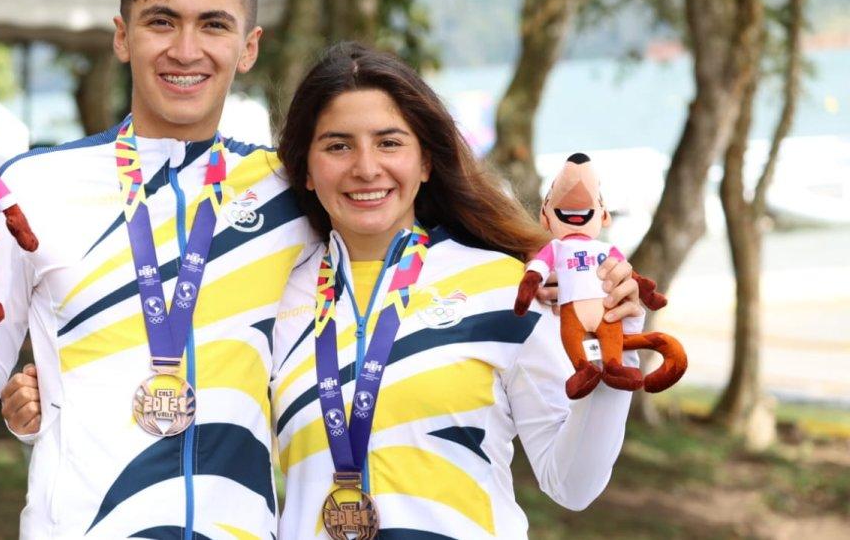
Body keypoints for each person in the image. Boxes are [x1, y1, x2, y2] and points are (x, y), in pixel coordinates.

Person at [0, 0, 316, 539]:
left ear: (248, 46)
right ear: (122, 37)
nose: (185, 49)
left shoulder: (293, 194)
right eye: (161, 21)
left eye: (213, 25)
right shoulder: (34, 188)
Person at [270, 42, 644, 539]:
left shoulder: (503, 288)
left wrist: (613, 353)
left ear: (426, 161)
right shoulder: (273, 297)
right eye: (338, 145)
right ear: (306, 170)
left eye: (389, 143)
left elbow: (573, 485)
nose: (365, 167)